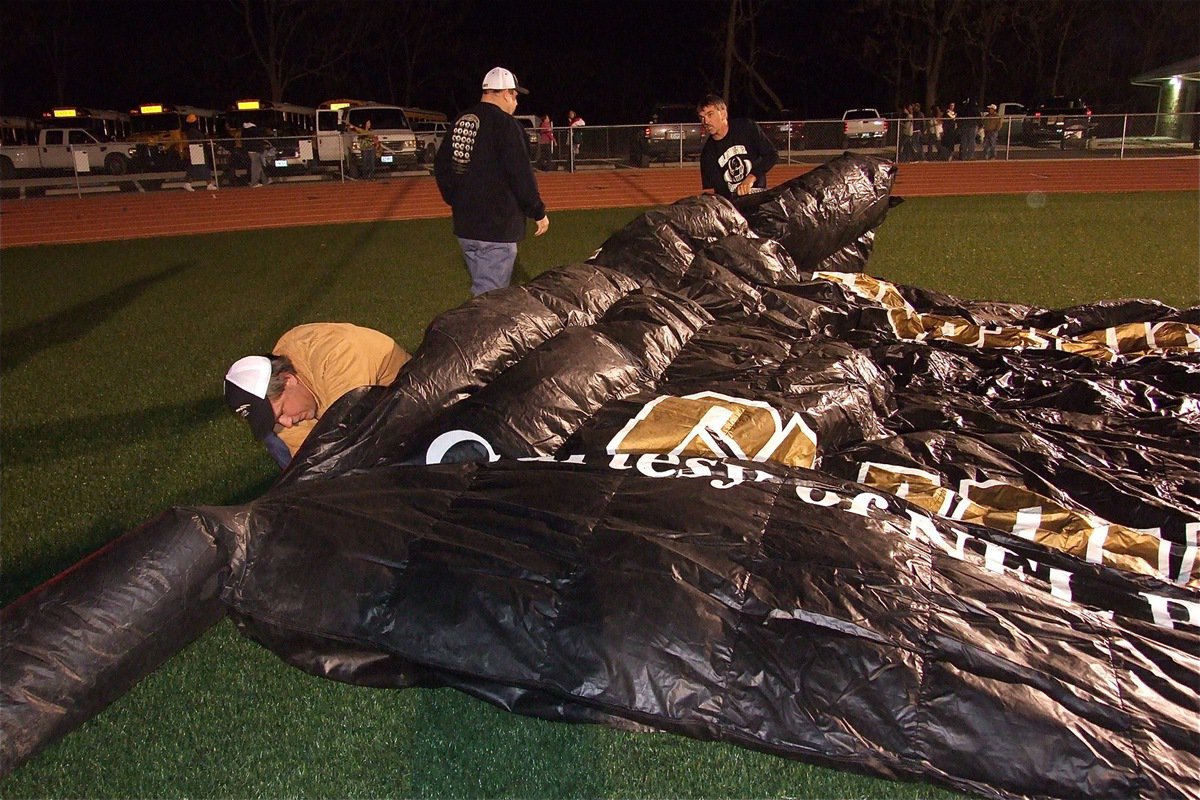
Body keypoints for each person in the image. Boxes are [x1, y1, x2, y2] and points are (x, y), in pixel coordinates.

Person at [223, 322, 412, 467]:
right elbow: (310, 464)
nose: (287, 423)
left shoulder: (338, 355)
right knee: (274, 439)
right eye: (277, 419)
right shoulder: (286, 402)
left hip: (406, 406)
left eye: (281, 413)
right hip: (352, 420)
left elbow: (353, 440)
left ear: (289, 380)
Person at [434, 66, 550, 296]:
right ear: (506, 93)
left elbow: (442, 165)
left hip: (466, 225)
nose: (516, 101)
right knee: (490, 299)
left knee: (483, 287)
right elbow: (520, 174)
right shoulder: (507, 125)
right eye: (515, 95)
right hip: (496, 226)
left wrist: (456, 198)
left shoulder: (462, 120)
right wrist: (537, 211)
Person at [697, 93, 778, 200]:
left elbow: (772, 155)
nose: (705, 121)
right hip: (734, 207)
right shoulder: (707, 154)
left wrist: (751, 178)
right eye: (702, 117)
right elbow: (720, 191)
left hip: (759, 199)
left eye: (710, 114)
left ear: (723, 113)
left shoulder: (747, 128)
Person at [182, 113, 217, 191]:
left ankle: (208, 184)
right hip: (196, 149)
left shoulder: (192, 131)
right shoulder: (192, 131)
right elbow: (196, 141)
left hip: (198, 149)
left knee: (201, 167)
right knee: (197, 167)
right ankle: (188, 183)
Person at [241, 121, 272, 187]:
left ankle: (265, 180)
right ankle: (254, 182)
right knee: (256, 167)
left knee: (259, 166)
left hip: (251, 150)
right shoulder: (253, 131)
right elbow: (258, 141)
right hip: (254, 151)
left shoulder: (246, 131)